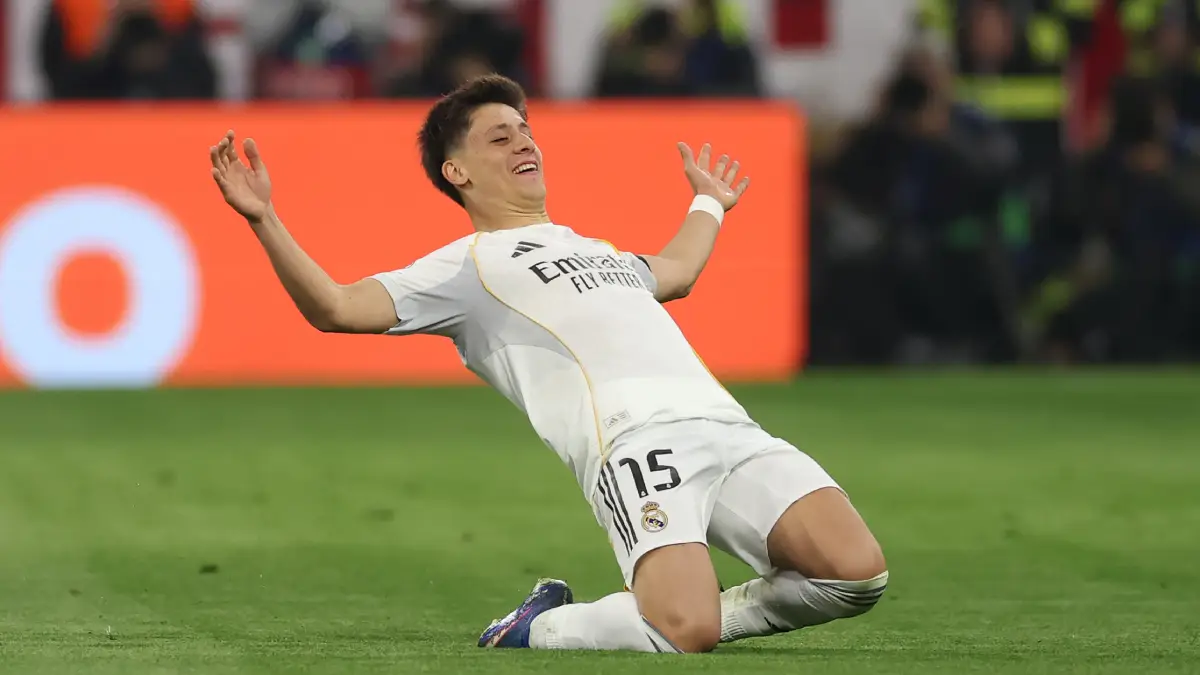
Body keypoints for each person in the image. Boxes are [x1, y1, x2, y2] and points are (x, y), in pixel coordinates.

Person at [208, 74, 888, 654]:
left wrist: (708, 201)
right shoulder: (465, 269)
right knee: (685, 632)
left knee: (855, 575)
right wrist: (263, 218)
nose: (524, 143)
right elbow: (335, 306)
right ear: (457, 172)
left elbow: (676, 272)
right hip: (637, 443)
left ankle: (694, 611)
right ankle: (541, 627)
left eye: (525, 131)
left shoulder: (593, 249)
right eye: (499, 138)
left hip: (727, 427)